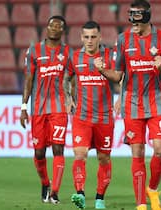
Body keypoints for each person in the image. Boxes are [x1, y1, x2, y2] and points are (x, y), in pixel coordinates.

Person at [97, 1, 161, 209]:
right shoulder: (123, 40)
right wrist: (103, 70)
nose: (134, 26)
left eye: (137, 22)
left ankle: (152, 188)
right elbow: (118, 75)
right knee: (137, 152)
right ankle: (141, 204)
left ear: (147, 19)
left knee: (160, 150)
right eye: (131, 21)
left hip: (157, 102)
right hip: (132, 104)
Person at [63, 21, 115, 210]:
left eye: (93, 37)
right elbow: (66, 78)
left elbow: (121, 77)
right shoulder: (75, 57)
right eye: (86, 37)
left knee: (104, 158)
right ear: (81, 37)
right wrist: (68, 98)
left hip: (104, 117)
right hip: (82, 116)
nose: (90, 40)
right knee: (80, 154)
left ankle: (100, 198)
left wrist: (120, 99)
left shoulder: (110, 56)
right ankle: (80, 194)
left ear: (100, 37)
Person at [20, 15, 72, 204]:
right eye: (51, 25)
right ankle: (45, 183)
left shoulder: (68, 52)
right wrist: (24, 106)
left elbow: (72, 77)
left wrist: (70, 97)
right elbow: (28, 80)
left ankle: (55, 192)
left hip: (58, 108)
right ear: (47, 28)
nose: (53, 28)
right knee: (39, 152)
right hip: (38, 109)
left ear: (62, 31)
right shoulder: (34, 51)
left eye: (58, 26)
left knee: (58, 148)